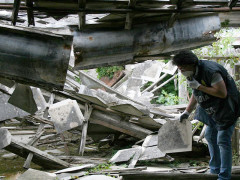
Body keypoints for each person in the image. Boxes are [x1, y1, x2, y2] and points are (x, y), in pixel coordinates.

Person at [172, 50, 240, 180]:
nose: (181, 71)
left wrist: (199, 87)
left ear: (191, 64)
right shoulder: (192, 72)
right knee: (210, 135)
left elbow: (222, 93)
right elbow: (196, 93)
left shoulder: (211, 71)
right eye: (179, 69)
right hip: (211, 109)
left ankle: (224, 176)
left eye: (182, 68)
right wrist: (187, 111)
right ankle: (215, 170)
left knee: (223, 140)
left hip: (227, 109)